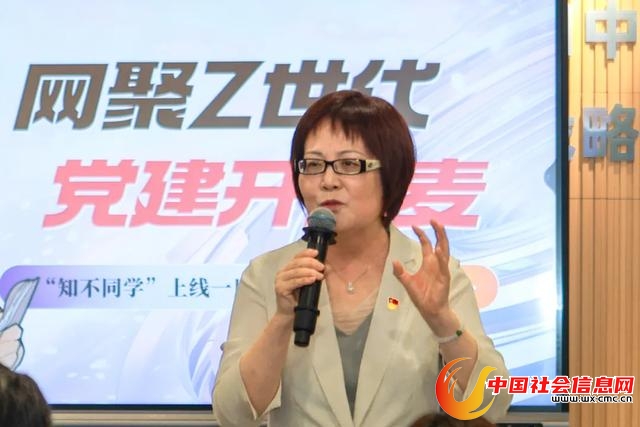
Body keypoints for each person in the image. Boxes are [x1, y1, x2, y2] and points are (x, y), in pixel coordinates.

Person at [212, 90, 512, 426]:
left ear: (391, 175)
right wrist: (282, 319)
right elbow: (233, 414)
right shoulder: (268, 274)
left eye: (349, 164)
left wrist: (442, 321)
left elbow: (492, 404)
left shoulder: (430, 273)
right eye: (313, 165)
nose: (328, 181)